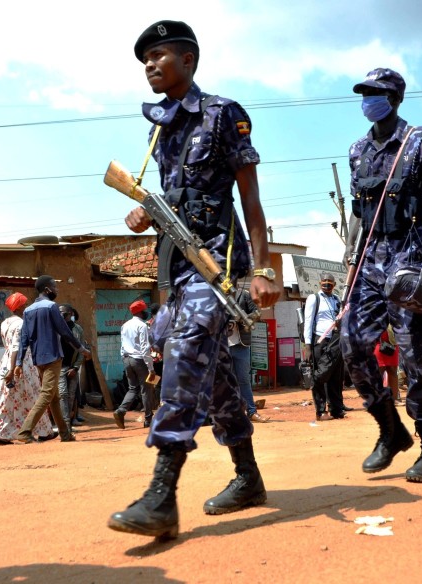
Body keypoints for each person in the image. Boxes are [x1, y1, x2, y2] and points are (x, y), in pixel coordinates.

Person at [108, 21, 280, 540]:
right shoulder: (159, 127)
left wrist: (264, 267)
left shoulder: (223, 113)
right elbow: (165, 201)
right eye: (145, 59)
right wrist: (142, 218)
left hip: (220, 260)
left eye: (159, 55)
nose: (149, 65)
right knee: (220, 376)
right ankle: (248, 478)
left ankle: (162, 494)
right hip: (178, 262)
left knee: (184, 353)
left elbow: (249, 197)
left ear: (189, 61)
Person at [341, 68, 422, 483]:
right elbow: (359, 211)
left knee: (417, 356)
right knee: (352, 346)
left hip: (412, 258)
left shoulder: (421, 140)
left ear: (394, 97)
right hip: (371, 260)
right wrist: (351, 247)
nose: (368, 100)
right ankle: (390, 430)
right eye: (364, 93)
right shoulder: (358, 150)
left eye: (375, 93)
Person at [14, 276, 91, 444]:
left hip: (38, 358)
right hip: (53, 357)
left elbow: (24, 339)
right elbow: (65, 332)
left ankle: (65, 434)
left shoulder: (28, 311)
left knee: (54, 398)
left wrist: (19, 362)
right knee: (47, 394)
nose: (56, 290)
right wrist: (82, 349)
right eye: (54, 287)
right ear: (47, 289)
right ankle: (25, 431)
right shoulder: (51, 307)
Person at [0, 293, 54, 445]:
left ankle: (2, 434)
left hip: (5, 363)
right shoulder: (21, 324)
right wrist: (14, 369)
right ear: (20, 307)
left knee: (6, 400)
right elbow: (16, 347)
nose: (27, 307)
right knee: (32, 397)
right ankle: (43, 432)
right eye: (25, 305)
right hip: (21, 364)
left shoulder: (5, 323)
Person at [303, 273, 346, 420]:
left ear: (334, 284)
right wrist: (308, 345)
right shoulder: (314, 298)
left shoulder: (336, 300)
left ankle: (336, 409)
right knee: (320, 375)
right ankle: (320, 411)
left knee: (336, 375)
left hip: (335, 340)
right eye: (324, 281)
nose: (327, 283)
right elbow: (308, 322)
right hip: (319, 341)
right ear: (320, 282)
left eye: (330, 282)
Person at [229, 287, 269, 423]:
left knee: (244, 380)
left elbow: (257, 313)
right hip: (222, 345)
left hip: (241, 344)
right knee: (226, 382)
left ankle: (251, 412)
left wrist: (244, 318)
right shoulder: (216, 293)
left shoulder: (244, 294)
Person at [114, 300, 155, 429]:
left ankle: (121, 411)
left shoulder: (125, 325)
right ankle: (148, 420)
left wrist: (124, 358)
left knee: (133, 388)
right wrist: (151, 367)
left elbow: (122, 345)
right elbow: (144, 347)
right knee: (146, 389)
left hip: (127, 359)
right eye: (144, 310)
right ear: (140, 312)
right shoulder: (142, 326)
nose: (146, 313)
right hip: (139, 360)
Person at [57, 304, 84, 429]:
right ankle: (65, 424)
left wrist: (76, 367)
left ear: (70, 314)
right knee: (62, 394)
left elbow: (82, 350)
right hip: (58, 367)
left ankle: (68, 422)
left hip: (72, 367)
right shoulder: (55, 328)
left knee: (71, 395)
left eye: (64, 313)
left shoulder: (78, 329)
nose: (61, 314)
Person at [373, 326, 401, 403]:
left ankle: (394, 399)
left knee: (393, 371)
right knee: (379, 372)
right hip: (379, 343)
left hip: (392, 343)